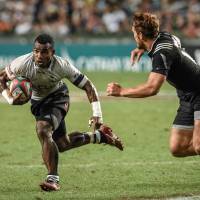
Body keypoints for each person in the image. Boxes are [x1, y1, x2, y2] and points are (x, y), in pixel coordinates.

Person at [0, 33, 123, 192]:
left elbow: (88, 85)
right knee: (62, 144)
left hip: (58, 97)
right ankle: (100, 136)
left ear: (53, 52)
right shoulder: (21, 64)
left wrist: (97, 113)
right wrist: (9, 98)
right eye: (36, 51)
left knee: (43, 130)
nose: (39, 55)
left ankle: (53, 179)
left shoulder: (62, 65)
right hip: (39, 103)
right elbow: (1, 78)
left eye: (44, 52)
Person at [107, 12, 200, 159]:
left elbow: (152, 88)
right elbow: (174, 42)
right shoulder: (165, 37)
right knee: (177, 148)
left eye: (134, 34)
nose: (134, 37)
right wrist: (142, 48)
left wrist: (121, 91)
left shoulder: (161, 53)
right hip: (186, 96)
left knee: (198, 145)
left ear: (141, 35)